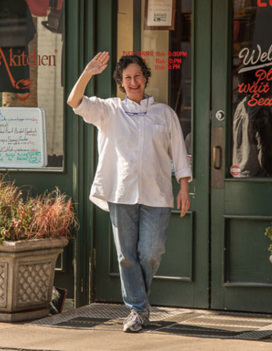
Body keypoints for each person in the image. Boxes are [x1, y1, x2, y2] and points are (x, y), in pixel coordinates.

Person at [67, 52, 192, 333]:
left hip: (157, 194)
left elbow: (180, 154)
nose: (133, 81)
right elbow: (74, 102)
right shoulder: (109, 110)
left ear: (145, 78)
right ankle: (138, 309)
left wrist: (184, 186)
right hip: (121, 193)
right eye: (127, 78)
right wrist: (87, 73)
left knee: (151, 252)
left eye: (137, 76)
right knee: (126, 255)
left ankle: (139, 305)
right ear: (121, 83)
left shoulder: (165, 114)